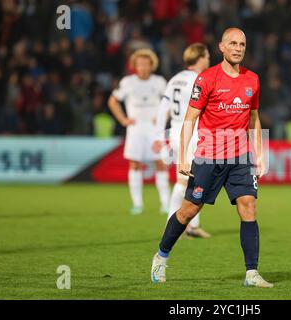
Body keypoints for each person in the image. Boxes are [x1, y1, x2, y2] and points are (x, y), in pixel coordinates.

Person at [150, 28, 273, 288]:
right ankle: (161, 256)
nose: (238, 48)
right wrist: (183, 157)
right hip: (208, 156)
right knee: (188, 211)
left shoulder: (252, 80)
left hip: (240, 156)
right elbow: (190, 119)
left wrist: (260, 153)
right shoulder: (206, 79)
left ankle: (252, 273)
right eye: (233, 44)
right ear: (222, 47)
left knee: (248, 206)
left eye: (242, 44)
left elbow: (253, 118)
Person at [153, 43, 212, 238]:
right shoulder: (199, 79)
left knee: (195, 179)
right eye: (207, 56)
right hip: (192, 133)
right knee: (184, 180)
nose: (209, 59)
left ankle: (192, 225)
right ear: (200, 58)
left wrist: (159, 136)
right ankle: (171, 224)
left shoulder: (175, 79)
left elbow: (163, 109)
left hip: (176, 131)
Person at [108, 49, 170, 215]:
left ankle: (165, 204)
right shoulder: (128, 82)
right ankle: (137, 204)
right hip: (135, 129)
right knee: (134, 163)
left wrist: (162, 117)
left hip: (154, 129)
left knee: (160, 163)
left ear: (152, 65)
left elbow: (170, 103)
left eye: (146, 64)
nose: (143, 67)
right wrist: (123, 120)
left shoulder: (159, 82)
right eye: (140, 64)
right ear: (134, 66)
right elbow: (113, 101)